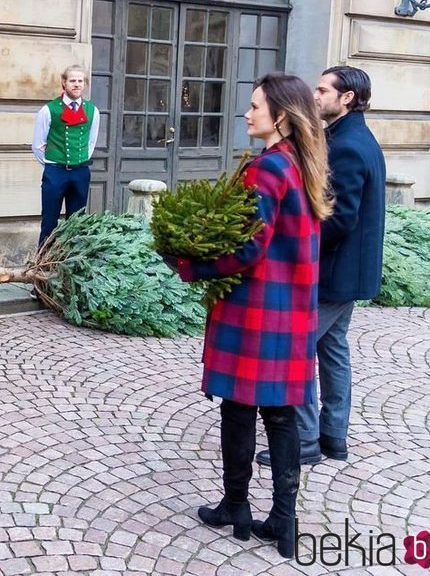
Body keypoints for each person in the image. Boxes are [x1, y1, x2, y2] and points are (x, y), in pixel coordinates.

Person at [163, 73, 333, 559]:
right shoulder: (302, 163)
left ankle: (236, 505)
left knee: (238, 408)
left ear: (280, 115)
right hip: (290, 307)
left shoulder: (267, 169)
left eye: (256, 106)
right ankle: (283, 519)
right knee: (279, 416)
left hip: (254, 308)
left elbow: (248, 246)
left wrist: (191, 265)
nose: (247, 112)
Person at [257, 66, 386, 467]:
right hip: (347, 273)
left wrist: (299, 246)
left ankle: (307, 438)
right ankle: (334, 435)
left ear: (347, 98)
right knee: (333, 350)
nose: (314, 96)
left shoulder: (348, 144)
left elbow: (339, 216)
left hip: (333, 273)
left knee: (299, 348)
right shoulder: (351, 137)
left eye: (322, 89)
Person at [32, 65, 100, 246]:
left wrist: (79, 159)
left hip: (80, 172)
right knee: (49, 221)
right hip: (55, 172)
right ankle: (43, 264)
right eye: (72, 81)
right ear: (64, 83)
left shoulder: (93, 110)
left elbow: (91, 142)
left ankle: (71, 263)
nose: (77, 85)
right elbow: (38, 145)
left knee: (77, 223)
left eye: (80, 81)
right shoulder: (49, 110)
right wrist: (53, 163)